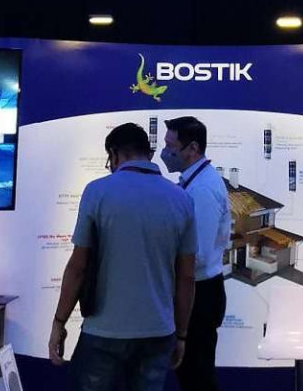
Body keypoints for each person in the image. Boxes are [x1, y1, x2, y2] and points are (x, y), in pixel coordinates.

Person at [48, 123, 198, 391]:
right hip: (158, 332)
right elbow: (186, 276)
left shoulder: (97, 192)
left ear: (114, 154)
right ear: (148, 153)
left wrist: (59, 322)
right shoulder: (182, 199)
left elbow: (78, 267)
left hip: (104, 331)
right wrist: (182, 334)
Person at [160, 116, 232, 391]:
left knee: (196, 377)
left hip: (199, 295)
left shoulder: (202, 189)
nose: (165, 152)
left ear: (192, 148)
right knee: (192, 375)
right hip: (196, 290)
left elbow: (197, 255)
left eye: (171, 146)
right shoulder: (193, 182)